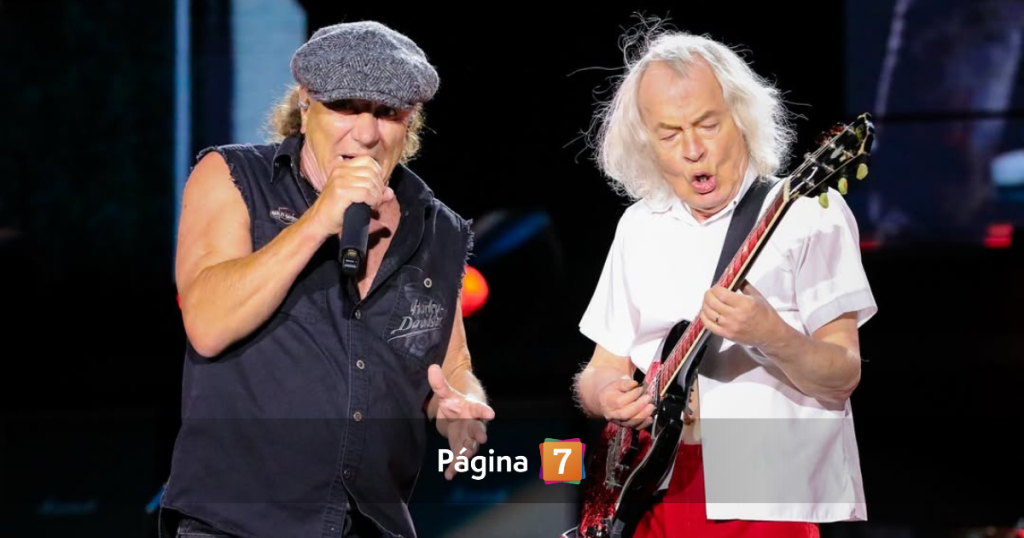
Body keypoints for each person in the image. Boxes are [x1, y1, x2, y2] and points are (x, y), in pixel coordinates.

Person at [158, 20, 494, 538]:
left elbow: (452, 364)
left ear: (411, 120)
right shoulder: (235, 177)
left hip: (372, 525)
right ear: (306, 102)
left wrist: (460, 407)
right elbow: (207, 323)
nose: (366, 133)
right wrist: (319, 220)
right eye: (346, 107)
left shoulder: (438, 228)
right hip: (237, 522)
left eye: (387, 113)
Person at [572, 23, 878, 538]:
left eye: (707, 124)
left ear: (741, 116)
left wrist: (769, 333)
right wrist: (608, 396)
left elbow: (842, 373)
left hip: (765, 493)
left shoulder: (808, 214)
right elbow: (600, 369)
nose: (692, 148)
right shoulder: (639, 225)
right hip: (650, 490)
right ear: (646, 143)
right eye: (669, 134)